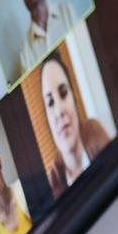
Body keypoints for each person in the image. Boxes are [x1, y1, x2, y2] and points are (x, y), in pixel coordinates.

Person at [37, 49, 110, 194]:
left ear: (74, 98)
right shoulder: (52, 182)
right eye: (50, 102)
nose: (59, 111)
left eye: (63, 93)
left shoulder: (94, 132)